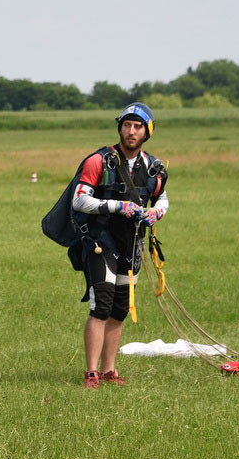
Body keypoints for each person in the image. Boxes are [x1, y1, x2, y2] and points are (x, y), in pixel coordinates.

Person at [69, 102, 168, 388]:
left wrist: (155, 212)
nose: (131, 131)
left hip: (131, 243)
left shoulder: (153, 168)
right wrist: (117, 206)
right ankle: (91, 372)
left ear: (146, 132)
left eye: (137, 127)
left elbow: (162, 198)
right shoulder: (99, 161)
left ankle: (109, 371)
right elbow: (80, 200)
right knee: (102, 303)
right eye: (127, 125)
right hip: (100, 242)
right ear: (120, 128)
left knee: (120, 308)